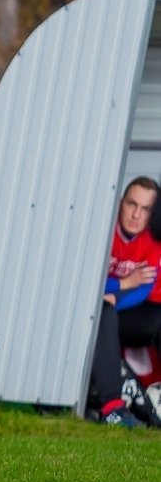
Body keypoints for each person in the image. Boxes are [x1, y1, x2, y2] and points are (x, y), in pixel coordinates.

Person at [87, 176, 161, 427]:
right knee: (103, 311)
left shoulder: (152, 242)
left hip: (118, 310)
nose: (136, 214)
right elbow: (84, 282)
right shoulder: (102, 232)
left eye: (145, 209)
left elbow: (142, 290)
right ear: (120, 203)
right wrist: (121, 285)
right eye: (132, 204)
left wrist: (112, 296)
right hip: (86, 313)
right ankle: (113, 409)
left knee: (111, 311)